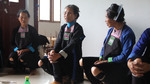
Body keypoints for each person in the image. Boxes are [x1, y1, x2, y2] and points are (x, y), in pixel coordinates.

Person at [88, 4, 135, 84]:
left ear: (114, 18)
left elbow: (124, 57)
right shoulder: (111, 30)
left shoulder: (128, 34)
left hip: (118, 65)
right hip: (106, 60)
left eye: (106, 17)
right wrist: (101, 57)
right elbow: (104, 45)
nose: (105, 20)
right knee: (83, 61)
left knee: (94, 69)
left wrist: (107, 60)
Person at [38, 4, 85, 84]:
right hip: (61, 54)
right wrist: (53, 51)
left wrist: (59, 55)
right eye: (65, 13)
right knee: (41, 62)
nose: (66, 15)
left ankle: (58, 80)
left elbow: (72, 44)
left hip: (71, 57)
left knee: (55, 58)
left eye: (69, 13)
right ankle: (62, 77)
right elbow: (58, 42)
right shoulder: (63, 27)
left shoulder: (78, 28)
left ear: (75, 15)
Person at [9, 9, 40, 75]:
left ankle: (32, 69)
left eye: (25, 17)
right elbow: (12, 44)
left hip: (30, 51)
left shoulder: (32, 30)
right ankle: (18, 69)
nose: (23, 19)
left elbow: (35, 44)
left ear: (28, 18)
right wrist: (17, 50)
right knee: (11, 57)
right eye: (21, 17)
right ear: (18, 18)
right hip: (18, 51)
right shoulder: (15, 30)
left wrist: (25, 50)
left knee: (23, 57)